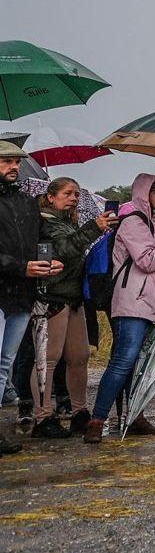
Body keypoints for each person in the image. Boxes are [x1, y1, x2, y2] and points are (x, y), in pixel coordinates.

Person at [88, 176, 155, 442]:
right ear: (144, 192)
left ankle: (134, 415)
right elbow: (147, 260)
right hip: (133, 301)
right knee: (123, 361)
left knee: (142, 365)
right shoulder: (132, 221)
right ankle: (98, 420)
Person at [29, 178, 113, 438]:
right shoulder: (43, 222)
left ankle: (79, 412)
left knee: (79, 357)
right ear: (51, 197)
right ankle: (42, 417)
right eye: (67, 193)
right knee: (48, 359)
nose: (74, 198)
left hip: (73, 296)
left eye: (76, 194)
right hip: (52, 297)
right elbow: (62, 250)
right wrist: (93, 228)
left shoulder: (67, 221)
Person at [0, 141, 51, 454]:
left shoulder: (26, 201)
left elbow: (42, 238)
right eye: (6, 161)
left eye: (16, 162)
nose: (13, 167)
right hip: (3, 289)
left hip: (22, 295)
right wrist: (21, 266)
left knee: (5, 365)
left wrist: (47, 261)